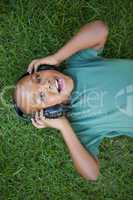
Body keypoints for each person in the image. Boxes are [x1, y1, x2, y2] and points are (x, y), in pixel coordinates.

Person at [14, 20, 133, 181]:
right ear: (48, 112)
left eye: (38, 78)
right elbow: (92, 173)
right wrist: (64, 126)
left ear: (43, 69)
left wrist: (57, 57)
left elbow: (100, 29)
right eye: (41, 96)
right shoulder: (80, 128)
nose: (46, 85)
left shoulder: (77, 64)